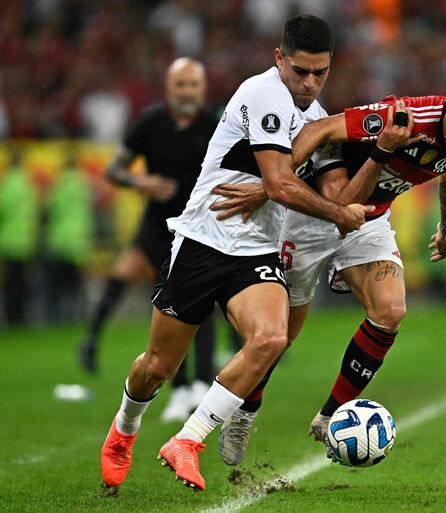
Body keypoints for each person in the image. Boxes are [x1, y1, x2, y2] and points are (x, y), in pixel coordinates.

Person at [99, 15, 380, 493]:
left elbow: (331, 185)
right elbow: (280, 183)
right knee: (158, 367)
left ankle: (188, 440)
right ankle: (124, 430)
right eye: (300, 71)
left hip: (256, 250)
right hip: (204, 239)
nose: (309, 83)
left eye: (320, 73)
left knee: (271, 340)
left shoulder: (317, 118)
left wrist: (381, 156)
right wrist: (337, 214)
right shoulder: (263, 94)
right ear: (279, 58)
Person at [211, 70, 446, 466]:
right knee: (280, 336)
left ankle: (329, 416)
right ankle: (244, 413)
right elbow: (320, 129)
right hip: (313, 213)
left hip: (369, 220)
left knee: (391, 311)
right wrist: (272, 184)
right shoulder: (404, 117)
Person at [77, 58, 219, 423]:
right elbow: (114, 170)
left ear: (202, 89)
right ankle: (180, 387)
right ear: (168, 89)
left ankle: (200, 383)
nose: (187, 92)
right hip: (158, 228)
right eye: (180, 85)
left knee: (203, 300)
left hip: (201, 226)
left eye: (193, 85)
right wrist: (142, 182)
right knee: (168, 304)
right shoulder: (150, 123)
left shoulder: (216, 124)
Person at [42, 151, 94, 322]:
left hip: (61, 239)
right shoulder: (83, 184)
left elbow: (52, 209)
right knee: (76, 283)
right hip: (79, 239)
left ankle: (56, 316)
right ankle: (78, 314)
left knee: (56, 283)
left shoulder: (60, 184)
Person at [0, 152, 39, 327]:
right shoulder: (27, 184)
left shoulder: (7, 184)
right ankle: (23, 318)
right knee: (23, 284)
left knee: (10, 285)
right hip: (26, 242)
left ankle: (12, 318)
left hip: (10, 241)